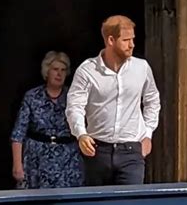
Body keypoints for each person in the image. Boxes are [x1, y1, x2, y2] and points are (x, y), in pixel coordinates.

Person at [66, 15, 161, 186]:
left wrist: (148, 133)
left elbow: (152, 99)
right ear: (111, 40)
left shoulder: (141, 67)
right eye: (125, 40)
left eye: (132, 39)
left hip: (131, 150)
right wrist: (81, 134)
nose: (131, 44)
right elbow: (75, 107)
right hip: (97, 150)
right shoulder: (87, 70)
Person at [10, 51, 84, 189]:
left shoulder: (74, 96)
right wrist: (17, 164)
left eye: (63, 70)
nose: (59, 74)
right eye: (55, 69)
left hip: (67, 160)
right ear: (46, 71)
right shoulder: (32, 96)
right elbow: (18, 133)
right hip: (36, 160)